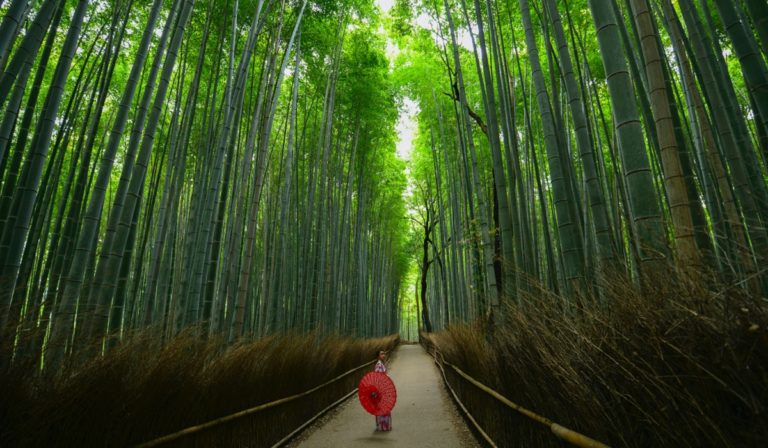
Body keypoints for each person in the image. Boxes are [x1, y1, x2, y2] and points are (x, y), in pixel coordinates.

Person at [374, 350, 392, 431]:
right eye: (381, 354)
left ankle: (385, 425)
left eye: (384, 353)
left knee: (384, 406)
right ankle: (382, 426)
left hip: (384, 387)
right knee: (382, 406)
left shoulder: (382, 364)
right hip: (381, 388)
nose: (383, 355)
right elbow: (378, 377)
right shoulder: (378, 364)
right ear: (378, 356)